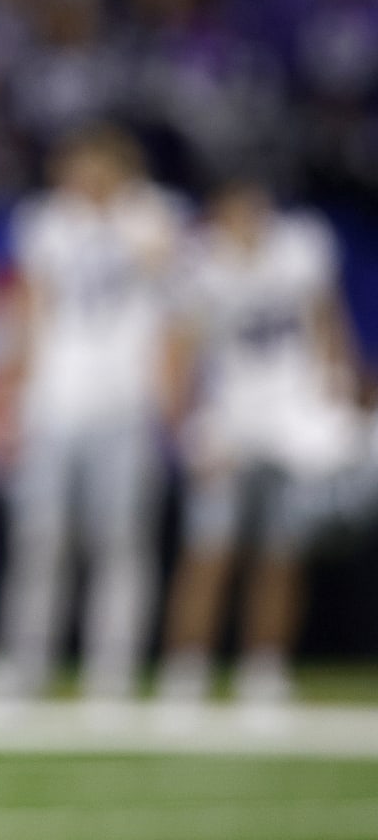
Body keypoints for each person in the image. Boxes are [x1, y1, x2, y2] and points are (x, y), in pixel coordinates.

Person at [0, 124, 185, 700]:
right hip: (55, 399)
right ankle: (25, 664)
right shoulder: (46, 222)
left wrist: (171, 400)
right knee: (40, 537)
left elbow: (169, 289)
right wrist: (12, 387)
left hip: (125, 400)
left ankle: (113, 669)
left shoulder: (152, 216)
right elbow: (30, 308)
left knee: (121, 539)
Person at [157, 178, 363, 704]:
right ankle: (188, 666)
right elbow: (179, 347)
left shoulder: (300, 247)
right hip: (227, 421)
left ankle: (264, 667)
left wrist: (340, 388)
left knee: (282, 551)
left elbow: (327, 322)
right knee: (210, 551)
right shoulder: (199, 262)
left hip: (295, 421)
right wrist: (183, 426)